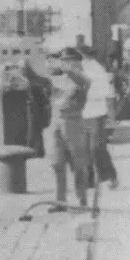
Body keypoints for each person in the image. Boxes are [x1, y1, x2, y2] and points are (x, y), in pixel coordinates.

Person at [47, 48, 91, 210]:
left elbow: (83, 82)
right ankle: (60, 201)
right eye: (64, 60)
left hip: (74, 122)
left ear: (77, 62)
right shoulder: (61, 78)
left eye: (68, 60)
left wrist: (66, 68)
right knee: (57, 163)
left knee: (78, 163)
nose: (65, 62)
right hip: (57, 121)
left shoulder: (82, 77)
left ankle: (82, 199)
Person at [81, 48, 120, 189]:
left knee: (96, 147)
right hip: (81, 114)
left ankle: (110, 176)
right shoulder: (78, 71)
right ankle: (89, 180)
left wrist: (111, 119)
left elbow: (109, 97)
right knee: (84, 148)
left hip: (97, 114)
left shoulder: (99, 72)